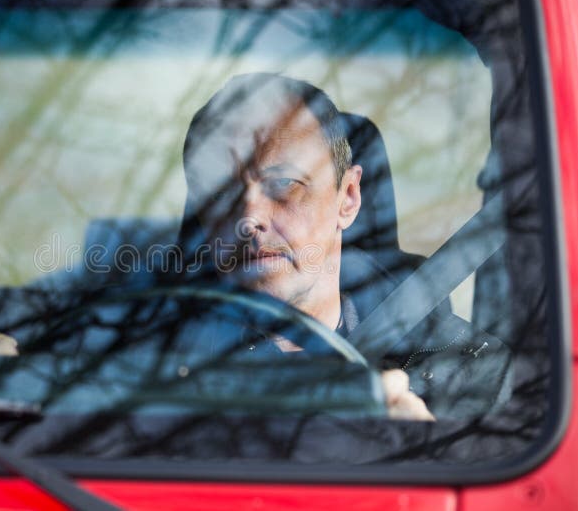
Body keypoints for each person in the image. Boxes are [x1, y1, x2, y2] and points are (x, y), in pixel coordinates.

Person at [179, 72, 435, 421]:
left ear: (348, 197)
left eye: (284, 182)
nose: (249, 217)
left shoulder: (456, 368)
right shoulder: (139, 368)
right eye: (221, 192)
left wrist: (425, 456)